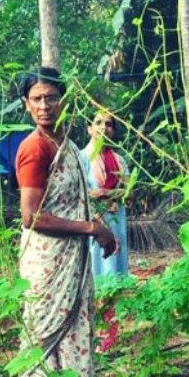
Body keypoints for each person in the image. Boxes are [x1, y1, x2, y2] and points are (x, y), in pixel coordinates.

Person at [10, 67, 123, 377]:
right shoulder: (35, 149)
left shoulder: (70, 146)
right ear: (26, 105)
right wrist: (90, 227)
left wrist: (100, 227)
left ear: (65, 101)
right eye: (36, 99)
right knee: (48, 346)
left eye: (51, 97)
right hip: (47, 262)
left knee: (73, 344)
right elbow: (31, 216)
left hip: (72, 260)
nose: (44, 105)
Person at [82, 112, 131, 279]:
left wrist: (104, 192)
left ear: (113, 131)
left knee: (116, 263)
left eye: (109, 124)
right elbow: (79, 193)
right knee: (95, 262)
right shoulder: (81, 158)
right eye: (98, 122)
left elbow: (129, 192)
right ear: (89, 129)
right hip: (93, 220)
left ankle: (115, 302)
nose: (104, 127)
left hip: (117, 217)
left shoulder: (119, 160)